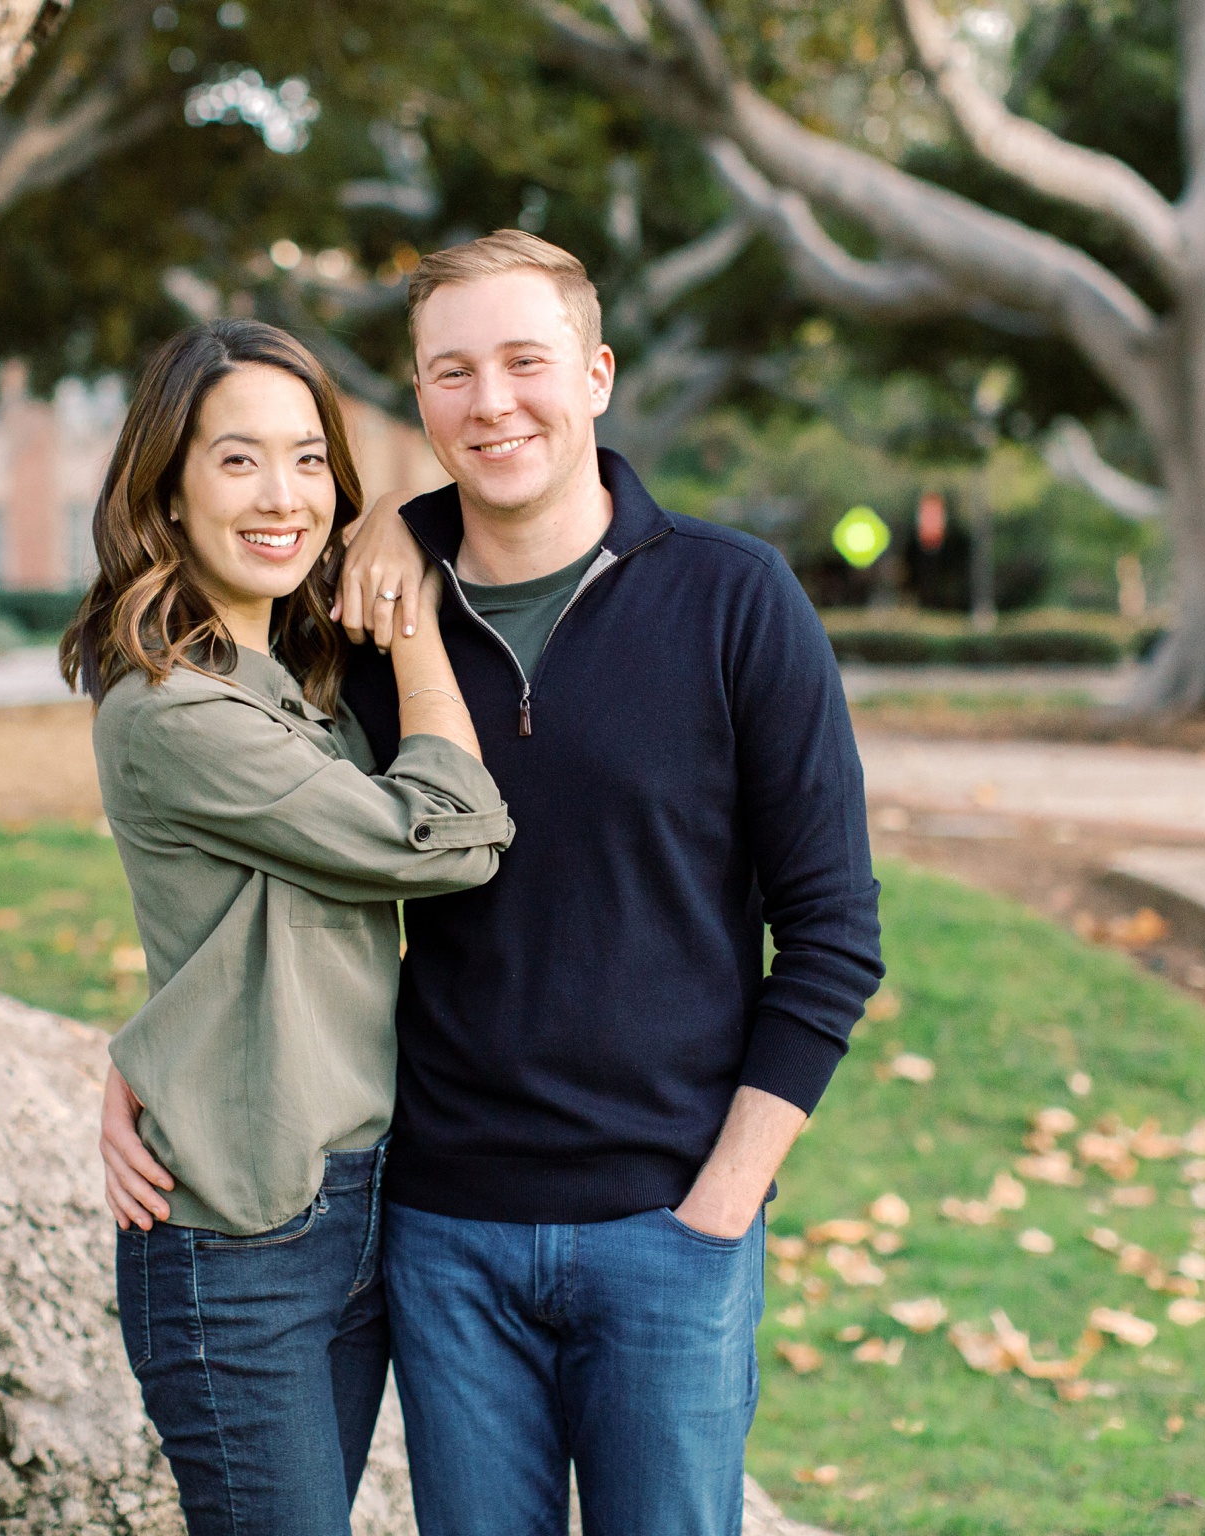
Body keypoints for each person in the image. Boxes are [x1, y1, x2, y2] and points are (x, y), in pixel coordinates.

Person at [331, 230, 885, 1535]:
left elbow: (832, 935)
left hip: (669, 1223)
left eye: (525, 361)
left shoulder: (733, 599)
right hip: (447, 1228)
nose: (491, 401)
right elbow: (281, 881)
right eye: (451, 372)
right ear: (421, 401)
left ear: (597, 374)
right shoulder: (373, 624)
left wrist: (722, 1205)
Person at [69, 318, 513, 1536]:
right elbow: (456, 832)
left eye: (309, 459)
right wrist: (416, 626)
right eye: (237, 460)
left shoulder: (303, 684)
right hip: (242, 1236)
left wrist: (155, 1047)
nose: (284, 496)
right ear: (164, 490)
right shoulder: (177, 713)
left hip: (358, 1200)